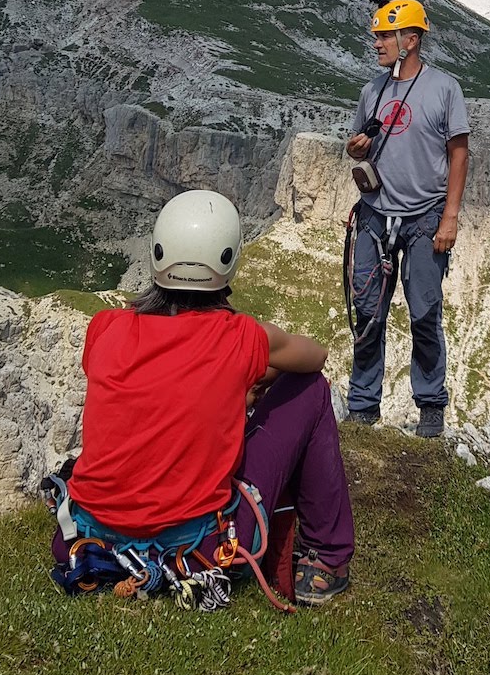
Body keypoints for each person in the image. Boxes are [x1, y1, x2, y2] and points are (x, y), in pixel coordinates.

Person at [53, 189, 354, 605]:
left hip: (89, 538)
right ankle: (328, 559)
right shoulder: (241, 338)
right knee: (313, 390)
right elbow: (316, 356)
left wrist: (229, 387)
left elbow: (155, 385)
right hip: (196, 549)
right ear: (228, 260)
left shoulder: (105, 327)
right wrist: (248, 380)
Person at [344, 0, 469, 438]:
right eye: (376, 35)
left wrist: (449, 217)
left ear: (410, 39)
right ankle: (362, 406)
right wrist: (355, 149)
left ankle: (430, 407)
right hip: (376, 216)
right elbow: (354, 143)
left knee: (424, 312)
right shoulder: (373, 90)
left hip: (424, 219)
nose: (375, 42)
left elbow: (458, 153)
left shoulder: (444, 89)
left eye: (384, 35)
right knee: (368, 310)